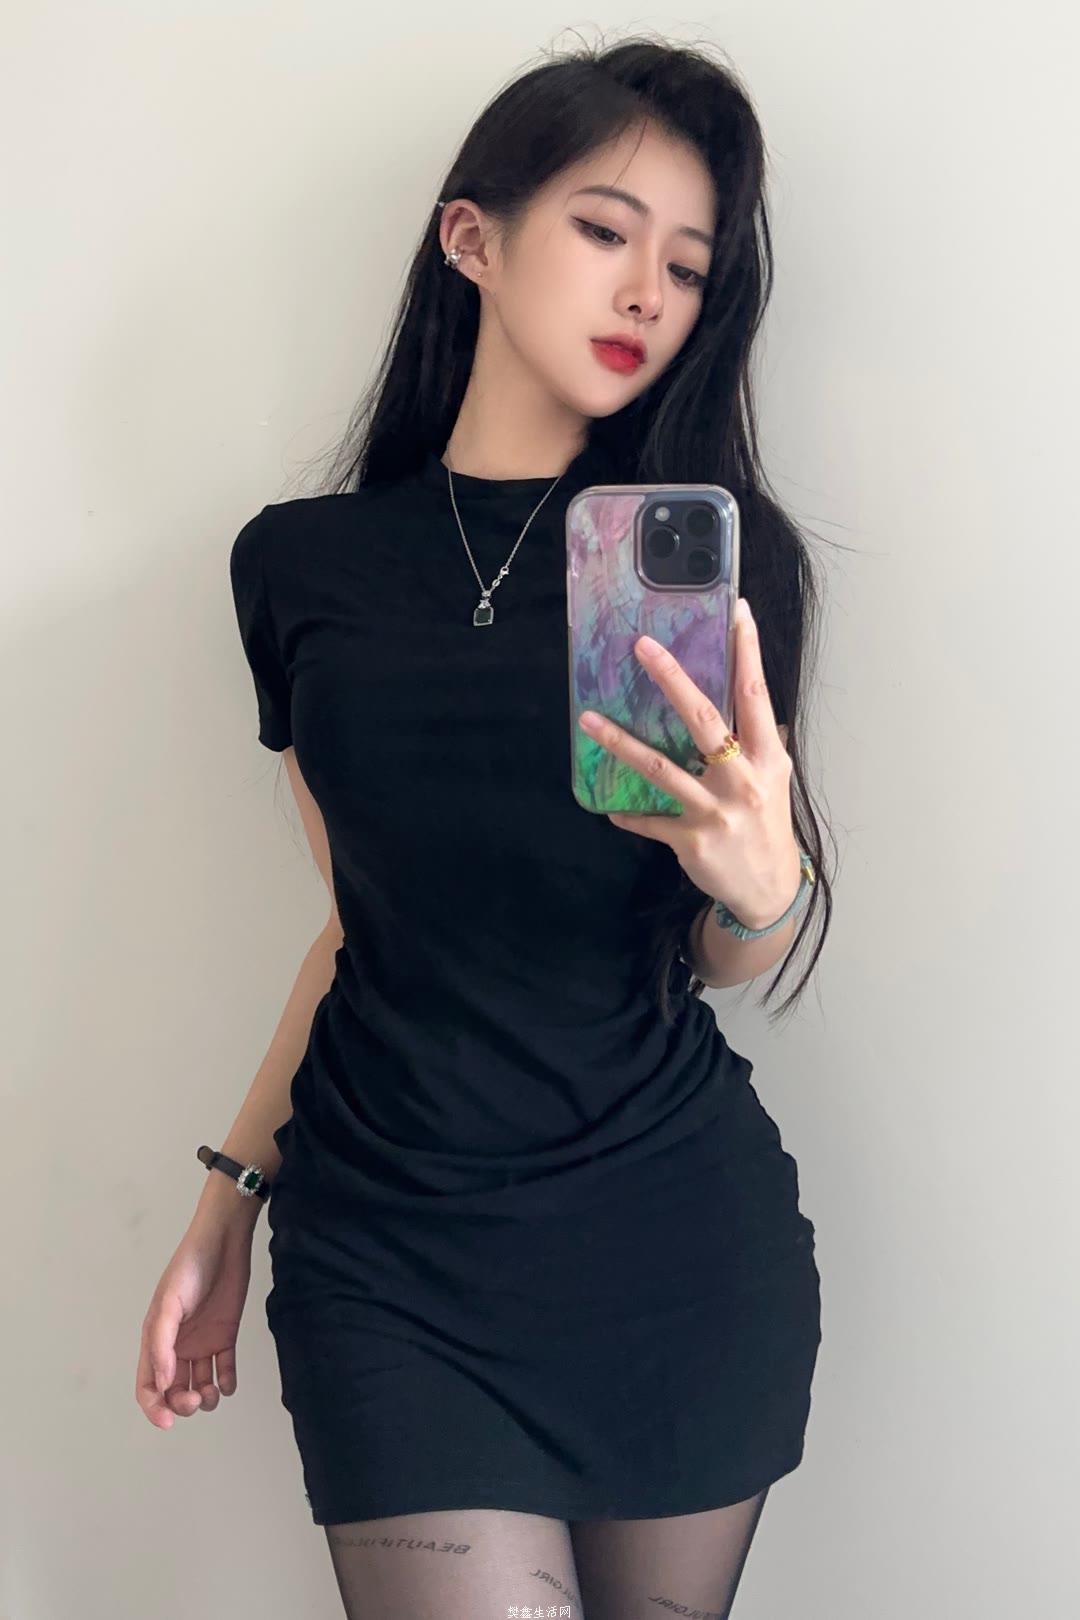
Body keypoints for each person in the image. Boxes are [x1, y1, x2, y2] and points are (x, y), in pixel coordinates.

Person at [136, 35, 834, 1620]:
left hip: (671, 1245)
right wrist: (225, 1203)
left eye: (687, 264)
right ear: (474, 239)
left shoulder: (719, 571)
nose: (646, 292)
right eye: (603, 230)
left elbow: (726, 944)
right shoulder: (298, 568)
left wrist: (763, 888)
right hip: (389, 1257)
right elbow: (361, 926)